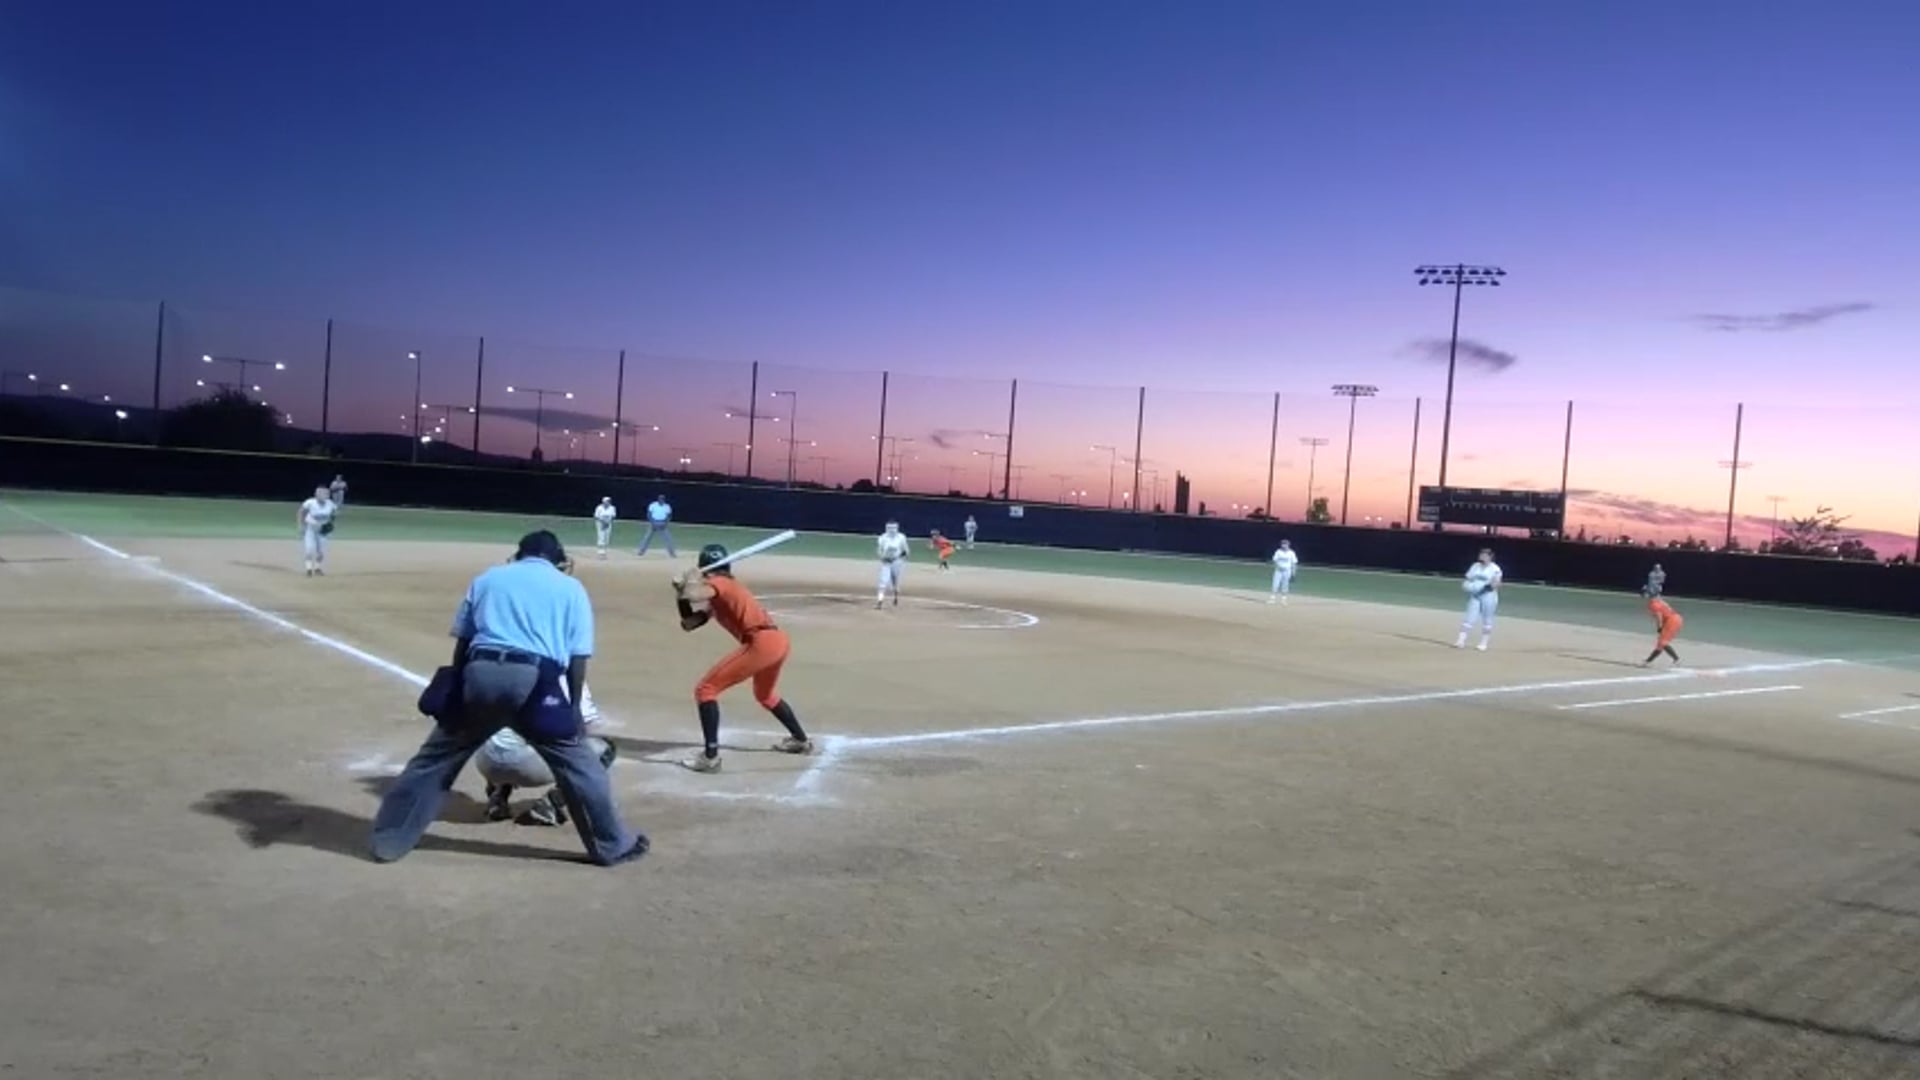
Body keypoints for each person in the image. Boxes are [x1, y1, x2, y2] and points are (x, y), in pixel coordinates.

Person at [369, 530, 647, 866]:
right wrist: (572, 709)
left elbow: (464, 643)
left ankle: (389, 841)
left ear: (520, 553)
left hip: (481, 671)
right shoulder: (571, 587)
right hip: (536, 680)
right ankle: (611, 846)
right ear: (556, 558)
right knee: (580, 765)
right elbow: (577, 658)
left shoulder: (488, 578)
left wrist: (460, 689)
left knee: (432, 760)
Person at [672, 543, 813, 773]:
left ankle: (710, 758)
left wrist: (687, 581)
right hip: (776, 642)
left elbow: (694, 593)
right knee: (765, 695)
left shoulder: (720, 583)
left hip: (761, 642)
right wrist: (681, 593)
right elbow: (689, 623)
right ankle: (800, 740)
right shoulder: (721, 593)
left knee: (706, 690)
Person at [479, 684, 617, 825]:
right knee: (605, 748)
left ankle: (498, 796)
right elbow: (587, 728)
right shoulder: (569, 679)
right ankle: (550, 805)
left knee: (502, 728)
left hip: (485, 761)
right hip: (526, 767)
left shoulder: (504, 672)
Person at [1455, 548, 1503, 651]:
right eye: (1481, 554)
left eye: (1485, 555)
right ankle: (1461, 641)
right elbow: (1468, 579)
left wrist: (1488, 587)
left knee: (1487, 619)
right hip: (1475, 595)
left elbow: (1497, 582)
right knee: (1469, 617)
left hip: (1489, 596)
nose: (1482, 556)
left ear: (1490, 557)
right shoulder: (1475, 566)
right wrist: (1467, 586)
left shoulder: (1495, 568)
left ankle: (1483, 643)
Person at [297, 485, 337, 577]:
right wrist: (301, 525)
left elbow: (334, 514)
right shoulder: (310, 502)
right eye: (320, 493)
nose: (324, 495)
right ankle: (308, 569)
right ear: (316, 494)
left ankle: (317, 568)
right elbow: (301, 512)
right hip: (311, 529)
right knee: (309, 550)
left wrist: (331, 523)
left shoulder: (330, 504)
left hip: (322, 531)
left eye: (326, 493)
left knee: (321, 552)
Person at [1640, 588, 1684, 667]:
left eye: (1644, 593)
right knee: (1661, 644)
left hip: (1672, 620)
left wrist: (1659, 627)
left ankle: (1677, 659)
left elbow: (1659, 616)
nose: (1642, 595)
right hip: (1675, 619)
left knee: (1663, 642)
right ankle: (1648, 661)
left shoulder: (1653, 604)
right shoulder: (1658, 601)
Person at [876, 521, 910, 608]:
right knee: (883, 581)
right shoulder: (882, 537)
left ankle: (895, 596)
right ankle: (880, 601)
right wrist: (882, 558)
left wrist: (897, 557)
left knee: (895, 581)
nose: (891, 530)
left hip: (897, 562)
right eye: (889, 528)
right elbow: (879, 550)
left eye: (893, 528)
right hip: (886, 562)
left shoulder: (901, 537)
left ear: (897, 528)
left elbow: (906, 551)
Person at [1268, 539, 1299, 605]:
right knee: (1275, 584)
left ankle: (1284, 600)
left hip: (1287, 571)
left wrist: (1293, 573)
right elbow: (1274, 560)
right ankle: (1272, 599)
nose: (1284, 545)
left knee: (1285, 585)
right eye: (1283, 544)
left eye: (1285, 544)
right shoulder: (1278, 551)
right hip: (1278, 571)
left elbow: (1294, 563)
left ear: (1288, 545)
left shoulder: (1291, 553)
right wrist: (1277, 566)